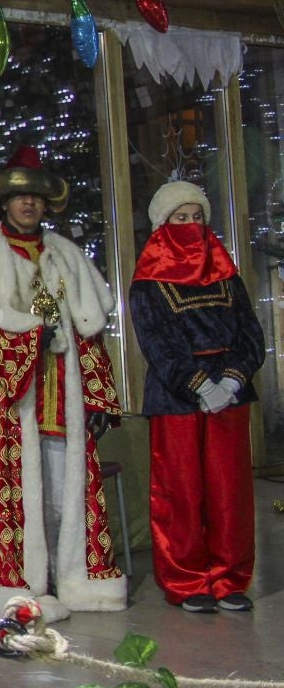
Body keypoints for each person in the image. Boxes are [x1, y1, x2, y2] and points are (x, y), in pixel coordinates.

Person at [0, 147, 124, 619]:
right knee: (15, 498)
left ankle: (75, 582)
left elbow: (90, 335)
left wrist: (98, 394)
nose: (29, 205)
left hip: (64, 401)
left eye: (37, 198)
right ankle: (18, 590)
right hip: (7, 407)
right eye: (21, 198)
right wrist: (28, 342)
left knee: (63, 494)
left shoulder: (67, 255)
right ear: (5, 204)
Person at [128, 181, 265, 614]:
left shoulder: (229, 277)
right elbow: (158, 342)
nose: (190, 225)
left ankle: (230, 577)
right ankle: (188, 581)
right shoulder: (148, 283)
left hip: (230, 394)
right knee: (180, 492)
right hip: (177, 397)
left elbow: (251, 335)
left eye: (197, 217)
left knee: (230, 492)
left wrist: (230, 381)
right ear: (162, 225)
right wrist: (200, 385)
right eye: (179, 218)